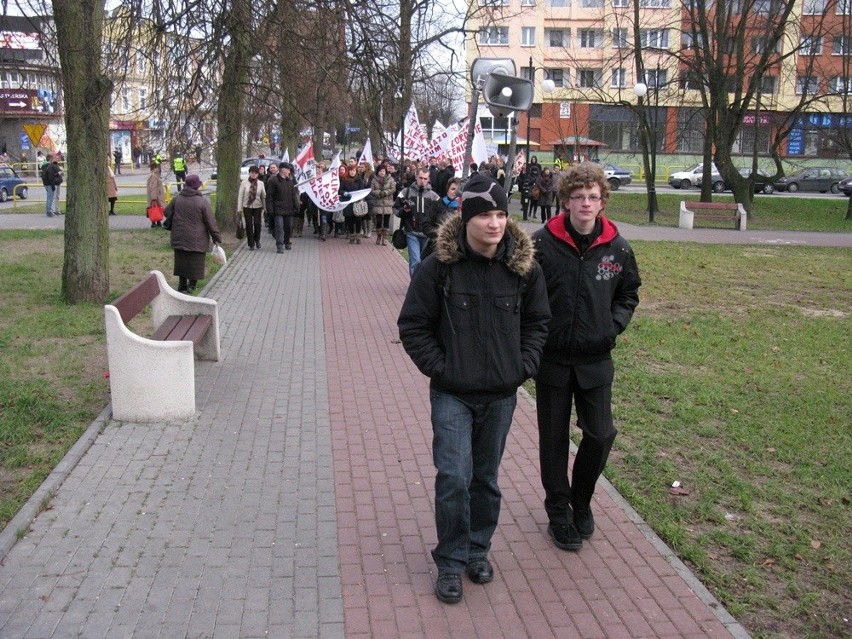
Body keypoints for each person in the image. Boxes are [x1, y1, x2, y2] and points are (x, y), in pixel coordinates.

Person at [397, 173, 550, 605]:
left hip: (502, 395)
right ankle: (449, 561)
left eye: (501, 214)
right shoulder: (437, 268)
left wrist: (523, 366)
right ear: (467, 219)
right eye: (485, 215)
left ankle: (477, 550)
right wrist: (441, 369)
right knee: (453, 478)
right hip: (453, 394)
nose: (495, 223)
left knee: (485, 480)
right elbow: (413, 326)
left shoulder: (523, 269)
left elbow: (539, 323)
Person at [531, 163, 641, 551]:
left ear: (602, 201)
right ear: (566, 200)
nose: (585, 204)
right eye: (578, 196)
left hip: (596, 359)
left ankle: (582, 500)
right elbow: (524, 296)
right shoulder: (541, 244)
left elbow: (629, 293)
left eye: (593, 197)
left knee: (600, 433)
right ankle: (558, 510)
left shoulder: (618, 247)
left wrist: (611, 326)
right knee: (553, 439)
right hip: (553, 360)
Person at [163, 174, 222, 294]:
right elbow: (210, 222)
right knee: (195, 262)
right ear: (196, 186)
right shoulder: (202, 202)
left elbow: (166, 212)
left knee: (181, 261)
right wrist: (216, 237)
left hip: (179, 237)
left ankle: (182, 284)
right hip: (197, 239)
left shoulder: (177, 199)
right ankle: (192, 285)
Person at [393, 168, 438, 276]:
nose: (422, 181)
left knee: (424, 262)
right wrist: (404, 210)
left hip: (427, 234)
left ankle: (420, 284)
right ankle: (415, 285)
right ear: (416, 177)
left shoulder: (434, 196)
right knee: (415, 260)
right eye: (420, 178)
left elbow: (439, 214)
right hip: (411, 232)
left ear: (428, 180)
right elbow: (395, 208)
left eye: (425, 178)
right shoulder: (405, 192)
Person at [421, 177, 460, 260]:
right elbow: (426, 224)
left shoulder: (464, 208)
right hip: (435, 250)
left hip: (457, 253)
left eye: (458, 190)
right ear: (447, 190)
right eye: (453, 189)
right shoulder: (438, 204)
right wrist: (440, 234)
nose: (455, 192)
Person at [266, 162, 300, 252]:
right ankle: (280, 245)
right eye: (288, 169)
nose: (289, 171)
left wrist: (296, 206)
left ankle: (287, 242)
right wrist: (270, 209)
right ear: (283, 170)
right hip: (278, 209)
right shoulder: (273, 181)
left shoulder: (290, 181)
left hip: (289, 209)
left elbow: (293, 195)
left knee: (288, 227)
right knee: (279, 228)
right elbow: (269, 197)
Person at [237, 165, 267, 250]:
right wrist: (239, 208)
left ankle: (257, 240)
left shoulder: (261, 183)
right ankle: (251, 243)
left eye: (255, 173)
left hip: (258, 206)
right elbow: (240, 196)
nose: (254, 174)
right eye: (252, 173)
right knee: (249, 225)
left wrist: (265, 208)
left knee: (257, 224)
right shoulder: (244, 183)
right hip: (247, 206)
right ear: (249, 173)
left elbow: (263, 196)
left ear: (258, 174)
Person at [340, 164, 368, 244]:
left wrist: (358, 196)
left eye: (354, 171)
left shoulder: (359, 180)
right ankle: (352, 236)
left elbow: (362, 190)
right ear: (348, 171)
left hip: (357, 203)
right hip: (348, 203)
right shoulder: (345, 180)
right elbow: (340, 190)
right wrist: (344, 193)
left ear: (356, 171)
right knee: (350, 220)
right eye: (351, 171)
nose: (352, 172)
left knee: (358, 220)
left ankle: (358, 236)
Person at [369, 163, 396, 246]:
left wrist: (385, 192)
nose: (382, 172)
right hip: (378, 203)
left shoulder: (390, 179)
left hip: (387, 203)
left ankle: (384, 238)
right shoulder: (374, 180)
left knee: (386, 222)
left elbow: (393, 189)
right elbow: (371, 190)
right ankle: (379, 236)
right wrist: (379, 193)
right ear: (378, 172)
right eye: (380, 171)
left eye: (383, 171)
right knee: (379, 221)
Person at [146, 161, 166, 228]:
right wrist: (153, 198)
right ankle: (156, 222)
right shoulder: (154, 176)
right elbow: (153, 187)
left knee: (155, 209)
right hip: (156, 197)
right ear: (155, 168)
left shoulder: (153, 175)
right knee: (155, 209)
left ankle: (157, 222)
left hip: (155, 196)